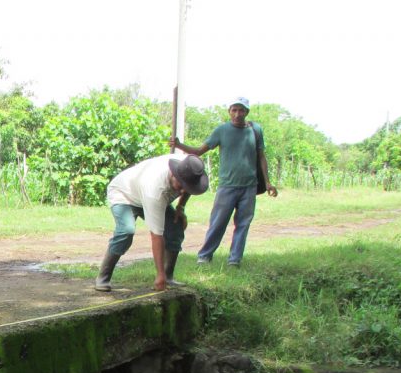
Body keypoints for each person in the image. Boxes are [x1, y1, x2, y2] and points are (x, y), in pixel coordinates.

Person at [171, 96, 278, 267]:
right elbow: (199, 151)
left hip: (249, 187)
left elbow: (261, 157)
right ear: (229, 112)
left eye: (241, 110)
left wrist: (267, 182)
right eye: (234, 110)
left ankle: (234, 260)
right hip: (227, 186)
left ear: (247, 112)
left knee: (243, 224)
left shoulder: (255, 130)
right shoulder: (221, 131)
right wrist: (179, 145)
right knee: (218, 223)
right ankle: (205, 256)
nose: (237, 114)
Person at [95, 153, 209, 292]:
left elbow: (189, 187)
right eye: (181, 185)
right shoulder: (155, 189)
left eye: (187, 187)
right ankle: (103, 278)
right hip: (124, 194)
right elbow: (156, 236)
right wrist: (158, 275)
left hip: (150, 193)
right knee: (126, 231)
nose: (183, 190)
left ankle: (168, 277)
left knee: (175, 226)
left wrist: (181, 207)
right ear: (173, 174)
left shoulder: (189, 167)